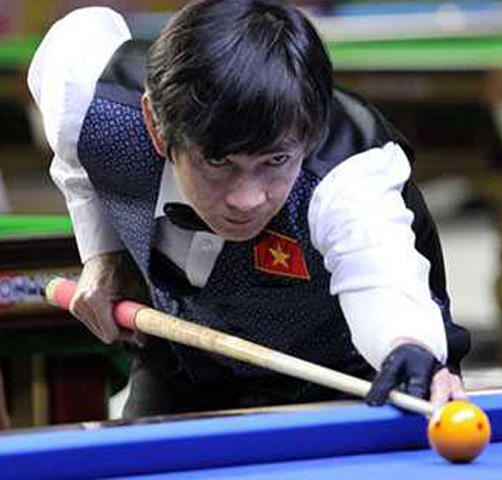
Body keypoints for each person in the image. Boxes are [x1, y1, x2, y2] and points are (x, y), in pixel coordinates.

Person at [28, 0, 470, 419]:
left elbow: (380, 273)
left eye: (275, 161)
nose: (247, 199)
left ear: (310, 134)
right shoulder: (94, 105)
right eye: (218, 161)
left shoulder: (348, 174)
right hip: (185, 358)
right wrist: (103, 253)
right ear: (155, 126)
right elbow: (78, 33)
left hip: (353, 374)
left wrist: (408, 346)